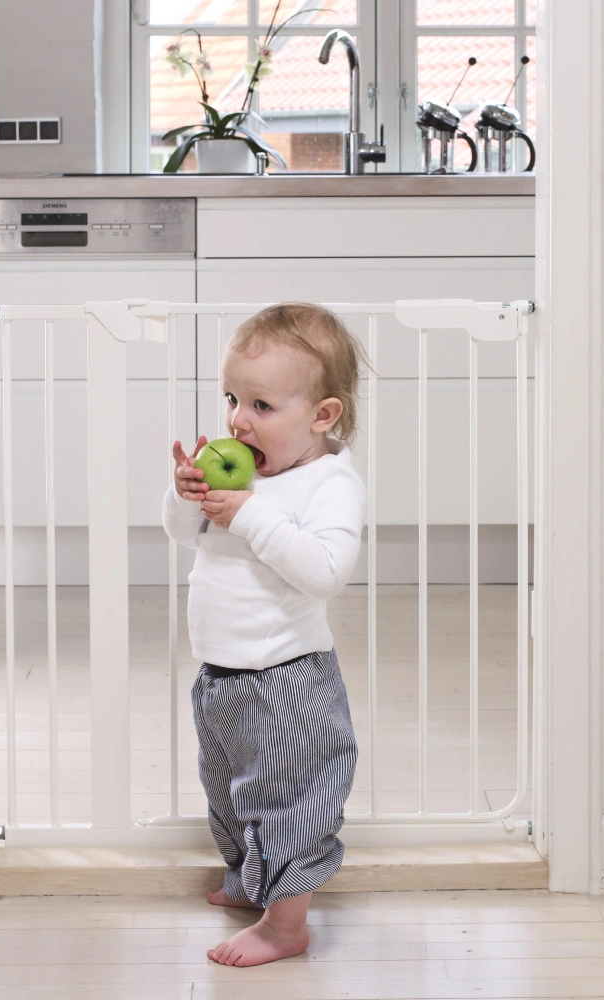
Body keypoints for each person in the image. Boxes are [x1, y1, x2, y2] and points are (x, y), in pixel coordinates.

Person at [161, 302, 369, 967]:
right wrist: (183, 493)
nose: (236, 420)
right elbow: (180, 534)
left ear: (322, 416)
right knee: (228, 792)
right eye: (231, 399)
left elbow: (326, 571)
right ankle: (254, 882)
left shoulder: (328, 482)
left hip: (285, 681)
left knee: (286, 802)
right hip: (221, 675)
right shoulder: (247, 473)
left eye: (260, 405)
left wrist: (249, 515)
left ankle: (286, 925)